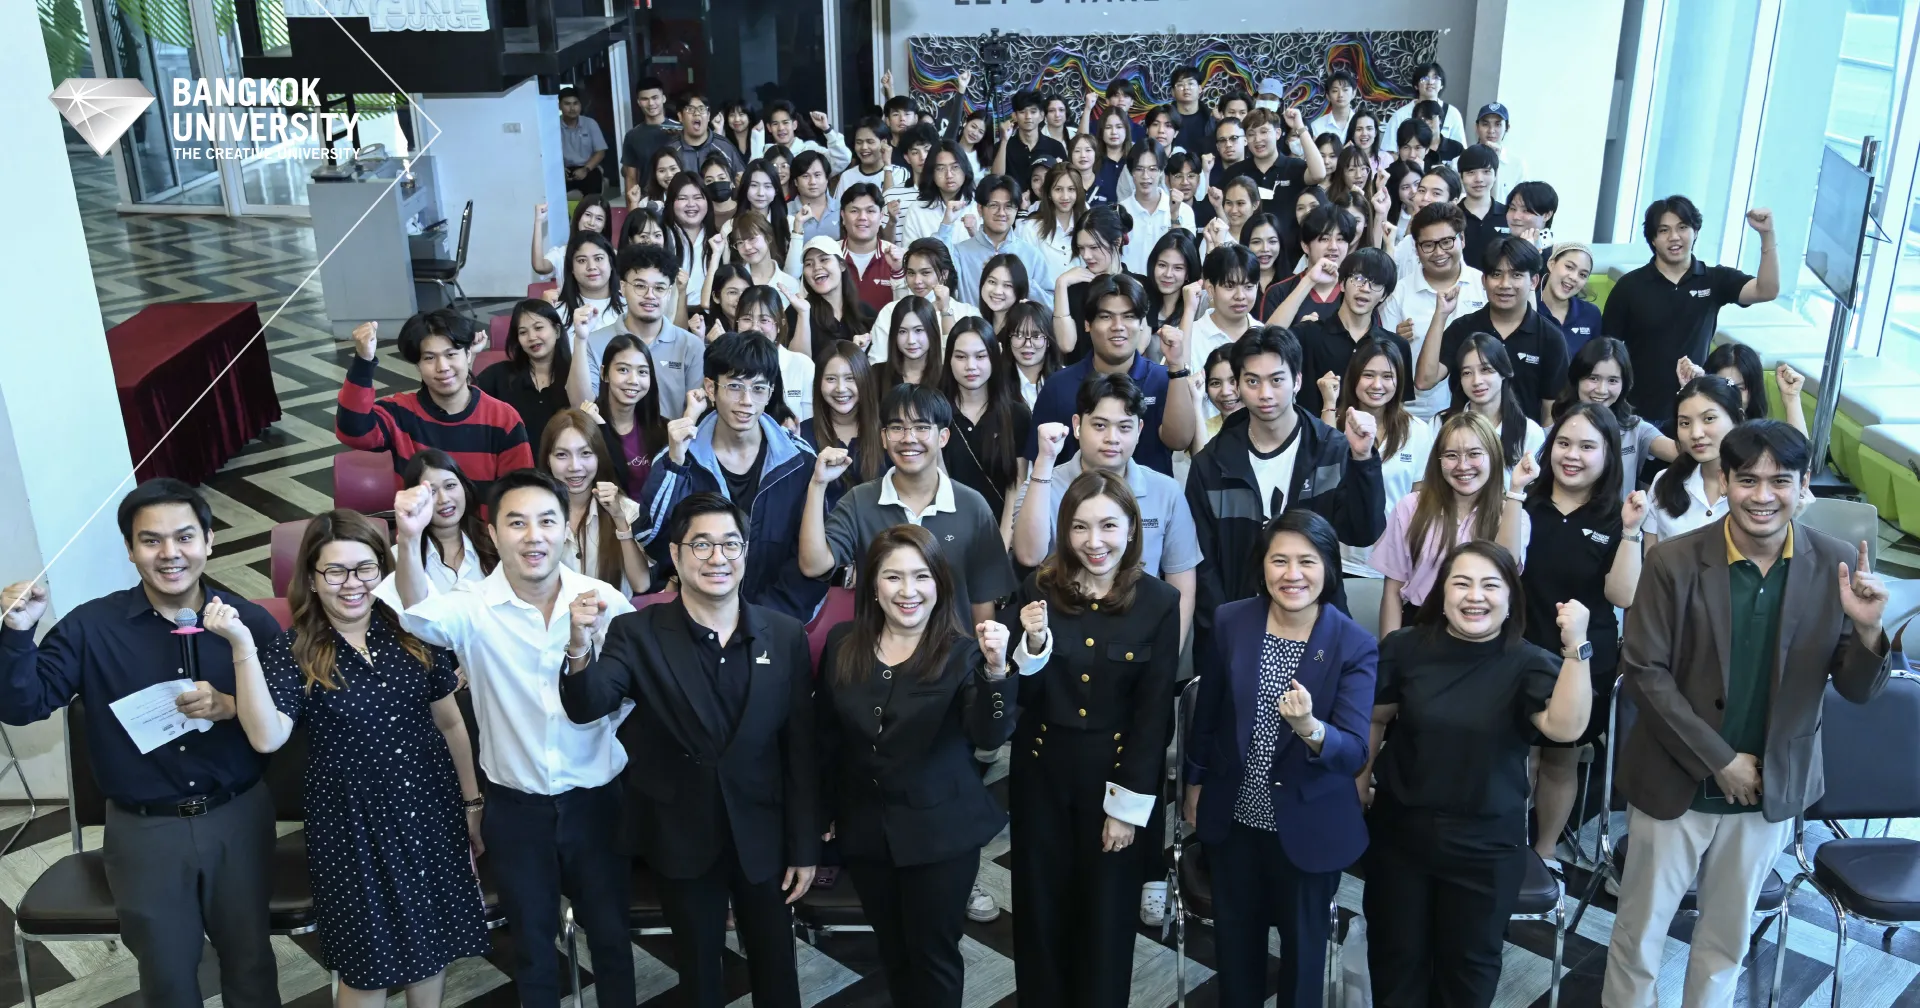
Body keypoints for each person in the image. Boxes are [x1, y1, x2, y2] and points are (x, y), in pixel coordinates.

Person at [1603, 420, 1894, 1008]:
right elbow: (1644, 672)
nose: (1763, 495)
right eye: (1748, 480)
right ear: (1726, 481)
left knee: (1727, 940)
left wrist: (1868, 631)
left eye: (1780, 480)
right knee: (1639, 935)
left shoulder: (1835, 563)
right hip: (1674, 781)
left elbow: (1858, 690)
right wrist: (1720, 760)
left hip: (1769, 787)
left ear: (1803, 485)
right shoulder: (1675, 561)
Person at [0, 481, 282, 1008]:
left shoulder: (252, 623)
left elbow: (287, 722)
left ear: (210, 540)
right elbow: (23, 706)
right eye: (151, 541)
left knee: (251, 964)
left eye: (185, 537)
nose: (170, 553)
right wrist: (17, 636)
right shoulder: (90, 627)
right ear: (130, 550)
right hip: (144, 830)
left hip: (237, 818)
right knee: (166, 975)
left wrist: (231, 705)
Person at [212, 510, 488, 1007]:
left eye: (364, 569)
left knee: (432, 948)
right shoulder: (294, 649)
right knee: (368, 968)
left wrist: (472, 803)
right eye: (335, 571)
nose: (352, 583)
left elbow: (450, 724)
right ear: (312, 579)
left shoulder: (413, 631)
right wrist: (242, 647)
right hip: (351, 827)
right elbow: (267, 738)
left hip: (429, 810)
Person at [388, 471, 638, 1008]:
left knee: (613, 939)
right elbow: (416, 614)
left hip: (597, 802)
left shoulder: (605, 600)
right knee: (532, 949)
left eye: (546, 521)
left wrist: (601, 736)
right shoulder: (472, 605)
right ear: (494, 533)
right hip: (516, 808)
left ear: (565, 531)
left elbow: (629, 695)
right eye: (517, 523)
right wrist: (409, 538)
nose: (533, 536)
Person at [562, 492, 818, 1008]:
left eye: (730, 544)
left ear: (745, 553)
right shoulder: (636, 632)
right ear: (676, 556)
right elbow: (588, 705)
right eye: (701, 545)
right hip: (680, 835)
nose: (717, 557)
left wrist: (804, 846)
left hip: (763, 835)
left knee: (777, 969)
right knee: (698, 974)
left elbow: (801, 750)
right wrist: (578, 646)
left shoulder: (785, 635)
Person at [1362, 541, 1592, 1007]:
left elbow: (1565, 727)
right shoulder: (1405, 647)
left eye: (1490, 585)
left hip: (1485, 844)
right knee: (1394, 959)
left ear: (1510, 598)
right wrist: (1358, 779)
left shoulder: (1528, 661)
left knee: (1468, 970)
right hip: (1401, 834)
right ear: (1441, 591)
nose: (1475, 596)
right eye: (1461, 583)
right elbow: (1376, 717)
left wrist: (1576, 649)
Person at [1181, 510, 1377, 1008]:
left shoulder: (1353, 644)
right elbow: (1208, 715)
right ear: (1262, 565)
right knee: (1235, 947)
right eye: (1279, 560)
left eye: (1307, 561)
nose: (1292, 574)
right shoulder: (1232, 620)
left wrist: (1311, 728)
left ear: (1329, 567)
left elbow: (1355, 752)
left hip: (1310, 825)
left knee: (1304, 957)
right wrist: (1194, 785)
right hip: (1235, 817)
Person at [815, 526, 1016, 1007]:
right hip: (866, 830)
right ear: (873, 585)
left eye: (921, 576)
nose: (908, 590)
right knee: (893, 951)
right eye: (893, 577)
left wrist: (996, 671)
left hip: (939, 835)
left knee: (932, 956)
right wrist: (823, 810)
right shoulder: (843, 643)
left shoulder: (963, 652)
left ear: (940, 584)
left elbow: (989, 736)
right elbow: (826, 735)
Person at [1003, 471, 1180, 1007]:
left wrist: (1126, 809)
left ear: (1132, 530)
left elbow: (1153, 717)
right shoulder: (1038, 589)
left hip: (1113, 782)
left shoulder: (1159, 601)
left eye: (1108, 526)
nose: (1094, 541)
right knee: (1039, 915)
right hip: (1041, 777)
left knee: (1106, 922)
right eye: (1080, 527)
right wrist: (1033, 644)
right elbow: (1017, 695)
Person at [1500, 403, 1646, 869]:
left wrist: (1631, 533)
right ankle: (1507, 846)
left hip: (1581, 660)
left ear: (1608, 455)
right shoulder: (1528, 502)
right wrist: (1514, 494)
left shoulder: (1615, 516)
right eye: (1563, 443)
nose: (1572, 455)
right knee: (1517, 757)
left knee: (1560, 760)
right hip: (1518, 652)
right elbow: (1504, 568)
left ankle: (1543, 854)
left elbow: (1622, 595)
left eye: (1587, 446)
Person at [1186, 327, 1386, 664]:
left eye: (1276, 380)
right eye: (1252, 381)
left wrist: (1363, 459)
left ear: (1297, 381)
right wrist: (1227, 631)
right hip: (1237, 635)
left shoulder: (1331, 450)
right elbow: (1203, 567)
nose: (1265, 393)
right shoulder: (1211, 464)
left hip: (1319, 631)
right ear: (1238, 385)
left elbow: (1363, 533)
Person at [638, 333, 825, 621]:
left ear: (770, 392)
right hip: (697, 618)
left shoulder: (800, 460)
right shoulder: (680, 455)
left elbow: (813, 561)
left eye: (758, 388)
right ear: (710, 389)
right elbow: (653, 542)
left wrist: (765, 621)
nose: (746, 401)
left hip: (775, 621)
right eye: (735, 386)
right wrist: (675, 465)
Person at [802, 383, 1019, 629]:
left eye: (921, 427)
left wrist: (981, 651)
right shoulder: (859, 501)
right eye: (897, 428)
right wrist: (818, 484)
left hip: (954, 650)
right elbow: (813, 566)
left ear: (943, 437)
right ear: (884, 438)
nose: (908, 438)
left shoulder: (972, 506)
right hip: (876, 647)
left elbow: (983, 602)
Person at [1016, 373, 1202, 635]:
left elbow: (1181, 584)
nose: (1112, 438)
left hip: (1142, 639)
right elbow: (1028, 556)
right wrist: (1044, 462)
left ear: (1139, 430)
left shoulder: (1166, 491)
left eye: (1124, 427)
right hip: (1062, 635)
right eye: (1100, 425)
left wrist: (1168, 651)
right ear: (1077, 425)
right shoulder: (1043, 482)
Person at [1603, 195, 1780, 424]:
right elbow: (1606, 351)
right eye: (1664, 230)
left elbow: (1767, 290)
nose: (1674, 237)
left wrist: (1767, 234)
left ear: (1695, 231)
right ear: (1653, 239)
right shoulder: (1629, 286)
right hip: (1637, 413)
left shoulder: (1714, 280)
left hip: (1695, 411)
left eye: (1682, 227)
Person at [336, 311, 534, 498]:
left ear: (468, 355)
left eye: (451, 354)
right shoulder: (401, 412)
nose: (442, 367)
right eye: (429, 358)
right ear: (418, 365)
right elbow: (353, 432)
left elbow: (520, 493)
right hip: (419, 522)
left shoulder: (503, 419)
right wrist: (363, 361)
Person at [1027, 273, 1195, 477]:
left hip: (1147, 496)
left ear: (1141, 323)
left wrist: (1176, 366)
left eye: (1129, 316)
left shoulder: (1164, 379)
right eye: (1106, 317)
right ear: (1087, 324)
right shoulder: (1058, 386)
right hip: (1073, 494)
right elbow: (1040, 462)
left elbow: (1179, 441)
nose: (1118, 326)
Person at [1370, 411, 1513, 633]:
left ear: (1493, 456)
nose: (1462, 465)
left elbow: (1508, 570)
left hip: (1484, 629)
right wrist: (1389, 650)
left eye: (1474, 454)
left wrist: (1517, 493)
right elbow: (1392, 591)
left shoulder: (1511, 513)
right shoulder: (1410, 507)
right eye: (1451, 455)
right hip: (1421, 626)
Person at [1322, 338, 1432, 577]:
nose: (1377, 385)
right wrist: (1329, 404)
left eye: (1387, 376)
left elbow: (1420, 499)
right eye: (1368, 375)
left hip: (1395, 562)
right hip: (1341, 560)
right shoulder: (1334, 424)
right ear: (1354, 377)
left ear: (1399, 381)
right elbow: (1325, 476)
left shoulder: (1418, 430)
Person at [1427, 237, 1565, 423]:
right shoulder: (1462, 329)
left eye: (1516, 275)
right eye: (1496, 274)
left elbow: (1550, 411)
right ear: (1484, 281)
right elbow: (1425, 381)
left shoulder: (1551, 338)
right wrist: (1440, 316)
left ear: (1533, 281)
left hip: (1523, 439)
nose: (1505, 284)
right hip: (1466, 435)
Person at [1379, 201, 1487, 420]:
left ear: (1462, 239)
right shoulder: (1398, 293)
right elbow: (1384, 359)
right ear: (1416, 249)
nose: (1439, 252)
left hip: (1477, 414)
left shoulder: (1485, 286)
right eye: (1428, 245)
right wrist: (1397, 342)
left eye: (1447, 242)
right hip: (1414, 415)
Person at [569, 242, 705, 415]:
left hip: (673, 432)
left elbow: (698, 409)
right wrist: (580, 340)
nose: (650, 295)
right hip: (608, 433)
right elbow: (580, 407)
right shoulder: (594, 342)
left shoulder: (690, 346)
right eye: (640, 286)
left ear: (669, 292)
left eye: (659, 288)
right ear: (623, 287)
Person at [538, 409, 652, 594]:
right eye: (562, 455)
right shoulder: (534, 512)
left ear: (599, 457)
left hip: (611, 612)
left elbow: (641, 584)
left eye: (585, 453)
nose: (575, 466)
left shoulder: (626, 509)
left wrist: (619, 518)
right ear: (548, 460)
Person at [1552, 337, 1680, 495]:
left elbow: (1684, 452)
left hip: (1622, 512)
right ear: (1577, 379)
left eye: (1612, 380)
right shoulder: (1557, 429)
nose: (1601, 390)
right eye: (1593, 378)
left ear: (1624, 384)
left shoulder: (1635, 429)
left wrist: (1689, 395)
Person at [373, 450, 498, 609]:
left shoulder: (495, 544)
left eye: (450, 486)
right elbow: (412, 611)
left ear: (464, 487)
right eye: (431, 491)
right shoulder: (399, 556)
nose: (444, 499)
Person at [938, 317, 1031, 528]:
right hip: (947, 531)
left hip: (1002, 529)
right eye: (960, 357)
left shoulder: (1017, 415)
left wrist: (1003, 543)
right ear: (949, 359)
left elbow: (1015, 488)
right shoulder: (935, 413)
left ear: (994, 357)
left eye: (980, 356)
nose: (970, 366)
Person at [1292, 246, 1407, 416]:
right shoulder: (1308, 334)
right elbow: (1266, 338)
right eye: (1358, 279)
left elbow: (1396, 410)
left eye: (1376, 283)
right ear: (1342, 284)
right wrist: (1309, 280)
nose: (1365, 288)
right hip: (1315, 431)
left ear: (1384, 295)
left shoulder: (1396, 346)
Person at [1642, 375, 1745, 548]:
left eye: (1709, 419)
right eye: (1685, 423)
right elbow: (1650, 557)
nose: (1696, 433)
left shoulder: (1760, 486)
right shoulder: (1664, 482)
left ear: (1738, 418)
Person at [1436, 334, 1547, 488]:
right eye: (1467, 373)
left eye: (1485, 370)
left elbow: (1534, 490)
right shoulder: (1441, 423)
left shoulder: (1529, 432)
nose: (1476, 381)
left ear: (1503, 372)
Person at [805, 340, 888, 512]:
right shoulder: (801, 437)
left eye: (850, 378)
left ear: (864, 380)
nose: (841, 388)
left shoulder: (887, 433)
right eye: (831, 379)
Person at [582, 333, 669, 498]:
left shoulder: (662, 429)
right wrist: (601, 427)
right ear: (604, 373)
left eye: (642, 372)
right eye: (623, 370)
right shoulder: (588, 426)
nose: (633, 380)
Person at [953, 174, 1057, 311]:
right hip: (973, 324)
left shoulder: (1032, 254)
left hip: (1018, 325)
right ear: (980, 209)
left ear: (1017, 210)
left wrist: (1021, 282)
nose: (1001, 213)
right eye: (994, 205)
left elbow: (1050, 305)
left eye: (1009, 206)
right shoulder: (959, 253)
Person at [1052, 205, 1142, 362]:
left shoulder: (1139, 285)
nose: (1086, 255)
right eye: (1081, 248)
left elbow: (1138, 347)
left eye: (1094, 247)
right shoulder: (1072, 287)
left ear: (1117, 242)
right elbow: (1066, 345)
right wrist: (1061, 284)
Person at [478, 298, 573, 445]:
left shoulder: (574, 376)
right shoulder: (499, 375)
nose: (532, 337)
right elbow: (466, 402)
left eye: (538, 328)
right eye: (523, 332)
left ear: (557, 330)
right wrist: (470, 355)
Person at [870, 240, 979, 362]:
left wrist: (946, 312)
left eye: (925, 273)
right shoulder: (889, 311)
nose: (917, 281)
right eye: (911, 273)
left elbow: (962, 362)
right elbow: (877, 362)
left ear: (944, 274)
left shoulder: (967, 313)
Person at [1224, 108, 1327, 218]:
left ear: (1277, 133)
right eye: (1251, 134)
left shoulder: (1295, 167)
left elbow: (1319, 175)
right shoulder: (1235, 172)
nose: (1257, 139)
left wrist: (1300, 127)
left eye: (1263, 132)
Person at [1692, 342, 1809, 433]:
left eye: (1739, 388)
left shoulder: (1760, 439)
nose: (1730, 396)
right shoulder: (1697, 432)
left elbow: (1801, 455)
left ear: (1753, 392)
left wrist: (1791, 399)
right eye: (1722, 387)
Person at [1118, 144, 1194, 275]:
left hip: (1168, 283)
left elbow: (1186, 255)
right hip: (1129, 284)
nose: (1145, 176)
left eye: (1152, 169)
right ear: (1131, 172)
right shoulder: (1119, 212)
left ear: (1161, 171)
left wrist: (1174, 215)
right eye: (1139, 169)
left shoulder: (1183, 210)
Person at [837, 184, 908, 313]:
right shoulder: (830, 254)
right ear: (843, 216)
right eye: (854, 211)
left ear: (881, 217)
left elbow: (907, 309)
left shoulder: (898, 257)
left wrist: (898, 271)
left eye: (870, 211)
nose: (862, 217)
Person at [1537, 240, 1600, 359]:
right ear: (1551, 264)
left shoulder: (1591, 314)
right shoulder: (1526, 308)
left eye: (1582, 275)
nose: (1574, 277)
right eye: (1569, 267)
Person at [1383, 61, 1467, 148]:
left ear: (1441, 85)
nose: (1430, 82)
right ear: (1416, 85)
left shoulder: (1452, 113)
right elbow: (1390, 150)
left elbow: (1461, 151)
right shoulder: (1400, 115)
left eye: (1435, 78)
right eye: (1424, 78)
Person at [619, 77, 676, 207]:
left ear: (663, 98)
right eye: (645, 99)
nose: (651, 103)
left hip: (679, 196)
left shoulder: (679, 130)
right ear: (638, 102)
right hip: (647, 201)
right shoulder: (632, 136)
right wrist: (632, 211)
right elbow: (631, 178)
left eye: (655, 97)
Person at [1455, 145, 1509, 271]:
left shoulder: (1509, 216)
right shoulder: (1451, 216)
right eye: (1471, 172)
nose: (1479, 179)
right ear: (1460, 177)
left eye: (1486, 171)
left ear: (1495, 175)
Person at [666, 91, 745, 175]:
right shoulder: (671, 150)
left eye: (701, 109)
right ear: (680, 116)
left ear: (708, 116)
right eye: (690, 109)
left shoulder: (724, 147)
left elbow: (741, 178)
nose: (697, 113)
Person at [1001, 300, 1062, 407]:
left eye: (1036, 336)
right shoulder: (996, 382)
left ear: (1048, 340)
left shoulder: (1066, 379)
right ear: (1009, 339)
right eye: (1019, 336)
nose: (1028, 344)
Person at [531, 197, 610, 279]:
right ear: (578, 216)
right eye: (588, 215)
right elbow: (540, 267)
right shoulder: (561, 254)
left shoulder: (611, 254)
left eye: (599, 218)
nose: (592, 223)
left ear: (604, 225)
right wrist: (538, 221)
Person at [558, 87, 609, 195]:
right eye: (567, 104)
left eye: (575, 103)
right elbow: (546, 155)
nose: (572, 108)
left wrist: (585, 169)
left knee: (592, 188)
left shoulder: (590, 123)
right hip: (563, 170)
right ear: (559, 106)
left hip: (588, 167)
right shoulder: (553, 126)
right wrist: (559, 169)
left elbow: (600, 152)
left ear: (580, 105)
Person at [789, 150, 842, 247]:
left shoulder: (842, 209)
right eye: (805, 176)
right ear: (796, 182)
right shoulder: (785, 212)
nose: (812, 182)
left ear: (827, 178)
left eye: (817, 175)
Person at [1168, 66, 1215, 157]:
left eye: (1191, 84)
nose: (1186, 88)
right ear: (1173, 92)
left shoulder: (1211, 119)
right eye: (1180, 85)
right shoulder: (1165, 118)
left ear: (1200, 89)